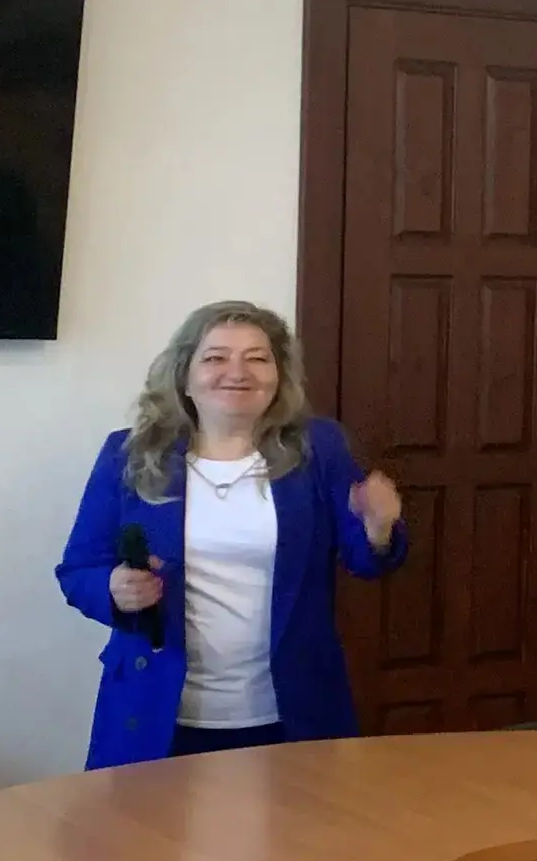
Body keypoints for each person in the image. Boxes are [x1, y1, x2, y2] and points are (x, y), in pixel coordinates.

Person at [56, 300, 409, 768]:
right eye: (216, 357)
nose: (237, 372)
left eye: (257, 358)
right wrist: (114, 590)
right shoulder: (131, 454)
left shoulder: (318, 449)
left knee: (304, 819)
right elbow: (79, 570)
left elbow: (366, 558)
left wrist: (379, 526)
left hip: (292, 710)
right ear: (185, 375)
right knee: (146, 820)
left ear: (278, 375)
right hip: (157, 713)